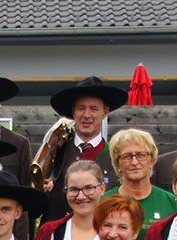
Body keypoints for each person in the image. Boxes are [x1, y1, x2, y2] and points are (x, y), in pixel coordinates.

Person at [42, 76, 128, 219]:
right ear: (73, 112)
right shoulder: (53, 154)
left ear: (105, 112)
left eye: (94, 109)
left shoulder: (117, 156)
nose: (87, 115)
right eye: (81, 108)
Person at [102, 128, 177, 240]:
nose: (134, 162)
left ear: (152, 160)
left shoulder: (172, 202)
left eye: (141, 155)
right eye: (127, 157)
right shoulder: (104, 202)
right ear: (117, 164)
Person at [32, 160, 105, 240]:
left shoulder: (116, 231)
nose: (81, 196)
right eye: (73, 190)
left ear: (102, 189)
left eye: (89, 188)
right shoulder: (49, 232)